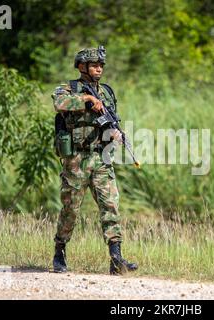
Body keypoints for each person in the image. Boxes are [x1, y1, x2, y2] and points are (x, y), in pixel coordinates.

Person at [51, 45, 137, 275]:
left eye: (101, 65)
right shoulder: (68, 88)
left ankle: (116, 259)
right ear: (82, 67)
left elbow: (108, 123)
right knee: (71, 209)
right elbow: (59, 104)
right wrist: (87, 99)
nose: (99, 68)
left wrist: (115, 135)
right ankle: (59, 252)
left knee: (111, 206)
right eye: (94, 65)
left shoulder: (107, 92)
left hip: (101, 157)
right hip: (76, 158)